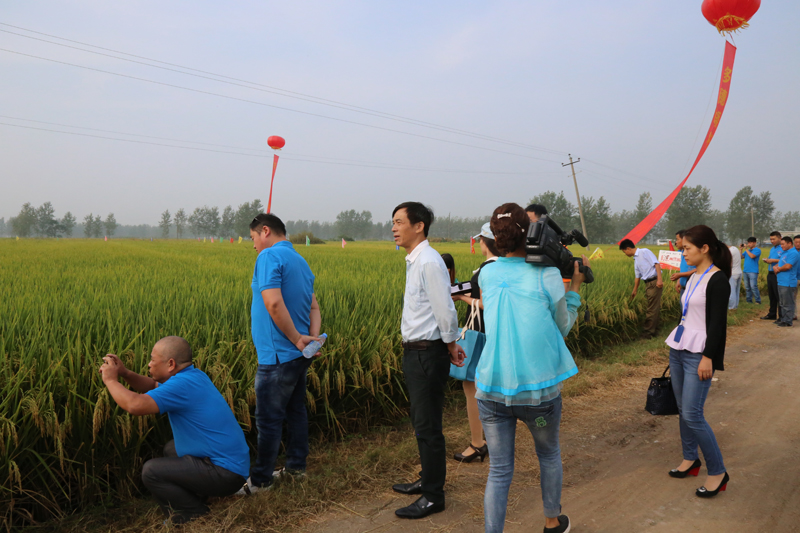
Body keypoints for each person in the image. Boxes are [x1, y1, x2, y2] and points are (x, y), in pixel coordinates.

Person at [475, 203, 585, 533]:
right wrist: (575, 289)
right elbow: (561, 327)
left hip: (491, 391)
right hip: (538, 396)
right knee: (548, 455)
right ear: (534, 234)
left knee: (499, 470)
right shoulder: (547, 275)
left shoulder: (487, 273)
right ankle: (552, 522)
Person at [98, 336, 250, 524]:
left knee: (151, 471)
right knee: (172, 449)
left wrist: (111, 381)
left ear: (170, 364)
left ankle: (191, 512)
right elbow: (152, 386)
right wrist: (125, 373)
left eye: (153, 359)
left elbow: (135, 405)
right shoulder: (194, 376)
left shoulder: (182, 385)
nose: (149, 364)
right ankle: (195, 498)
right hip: (232, 466)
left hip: (226, 473)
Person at [390, 202, 466, 519]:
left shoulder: (430, 261)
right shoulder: (417, 259)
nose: (394, 228)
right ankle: (427, 479)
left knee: (428, 425)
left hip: (426, 352)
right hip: (417, 351)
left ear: (419, 226)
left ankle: (434, 496)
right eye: (393, 222)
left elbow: (445, 309)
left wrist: (451, 345)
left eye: (399, 222)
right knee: (422, 421)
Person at [238, 213, 321, 495]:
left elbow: (273, 303)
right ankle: (296, 468)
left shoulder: (269, 256)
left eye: (253, 238)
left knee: (268, 420)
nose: (253, 245)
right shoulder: (300, 260)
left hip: (276, 357)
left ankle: (261, 481)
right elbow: (314, 308)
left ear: (265, 231)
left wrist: (298, 339)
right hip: (298, 356)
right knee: (296, 411)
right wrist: (311, 340)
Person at [665, 225, 732, 498]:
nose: (683, 253)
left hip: (699, 354)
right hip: (679, 349)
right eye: (682, 249)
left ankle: (717, 471)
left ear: (704, 248)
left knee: (693, 414)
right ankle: (690, 458)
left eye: (687, 248)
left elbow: (718, 325)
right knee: (683, 409)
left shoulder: (718, 280)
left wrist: (708, 358)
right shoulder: (693, 276)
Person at [450, 222, 498, 463]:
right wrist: (465, 294)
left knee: (472, 389)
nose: (479, 243)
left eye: (480, 240)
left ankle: (478, 444)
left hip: (479, 333)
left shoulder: (487, 269)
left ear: (485, 242)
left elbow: (488, 304)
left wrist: (463, 298)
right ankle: (492, 440)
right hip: (495, 334)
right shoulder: (504, 266)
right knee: (489, 389)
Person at [619, 238, 664, 339]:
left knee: (651, 308)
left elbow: (656, 264)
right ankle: (654, 329)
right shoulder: (636, 260)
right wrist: (634, 290)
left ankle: (648, 332)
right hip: (648, 284)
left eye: (624, 251)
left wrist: (659, 280)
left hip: (654, 282)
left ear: (628, 248)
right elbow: (637, 277)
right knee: (653, 307)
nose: (625, 254)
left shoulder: (644, 251)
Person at [773, 236, 799, 327]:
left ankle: (788, 321)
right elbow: (781, 263)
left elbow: (788, 266)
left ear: (789, 243)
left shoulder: (793, 253)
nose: (781, 246)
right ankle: (783, 319)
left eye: (783, 244)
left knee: (788, 303)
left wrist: (778, 269)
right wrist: (775, 267)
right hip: (781, 281)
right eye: (781, 244)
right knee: (782, 303)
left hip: (788, 282)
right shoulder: (785, 252)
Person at [761, 231, 783, 321]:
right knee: (772, 295)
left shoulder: (782, 248)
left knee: (778, 295)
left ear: (780, 238)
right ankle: (772, 313)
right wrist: (768, 260)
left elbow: (784, 260)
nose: (772, 241)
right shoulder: (772, 249)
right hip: (770, 273)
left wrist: (773, 260)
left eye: (774, 239)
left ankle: (781, 315)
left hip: (777, 273)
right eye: (771, 239)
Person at [670, 230, 696, 294]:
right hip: (683, 287)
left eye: (677, 239)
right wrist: (679, 280)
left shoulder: (694, 252)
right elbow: (684, 269)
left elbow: (702, 268)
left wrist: (680, 275)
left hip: (693, 288)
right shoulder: (682, 252)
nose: (676, 242)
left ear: (684, 239)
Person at [740, 237, 762, 304]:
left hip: (753, 271)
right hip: (745, 270)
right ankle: (749, 300)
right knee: (747, 287)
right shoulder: (748, 251)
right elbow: (741, 257)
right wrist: (741, 249)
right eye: (748, 243)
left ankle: (758, 300)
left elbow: (752, 256)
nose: (748, 244)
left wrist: (746, 249)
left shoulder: (757, 250)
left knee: (753, 286)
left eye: (750, 243)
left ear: (754, 243)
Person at [728, 242, 742, 310]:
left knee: (732, 292)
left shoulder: (729, 252)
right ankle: (735, 306)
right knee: (736, 291)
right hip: (739, 272)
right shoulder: (735, 248)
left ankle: (731, 307)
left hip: (733, 274)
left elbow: (730, 264)